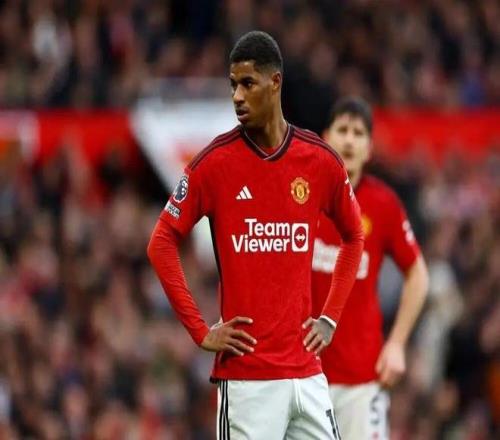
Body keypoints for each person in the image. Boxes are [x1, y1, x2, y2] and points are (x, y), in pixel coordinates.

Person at [147, 31, 364, 439]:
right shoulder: (214, 164)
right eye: (233, 85)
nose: (237, 96)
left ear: (275, 82)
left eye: (248, 83)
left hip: (307, 374)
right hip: (248, 380)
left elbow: (354, 236)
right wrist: (200, 330)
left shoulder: (318, 160)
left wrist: (330, 317)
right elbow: (160, 242)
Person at [311, 97, 429, 439]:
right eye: (342, 130)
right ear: (326, 138)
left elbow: (418, 275)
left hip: (360, 379)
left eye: (358, 133)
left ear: (369, 148)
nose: (349, 140)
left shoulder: (383, 204)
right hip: (303, 375)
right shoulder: (302, 195)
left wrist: (397, 343)